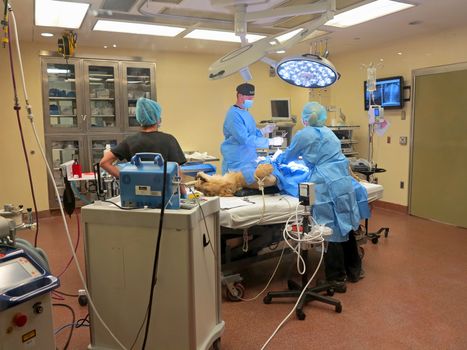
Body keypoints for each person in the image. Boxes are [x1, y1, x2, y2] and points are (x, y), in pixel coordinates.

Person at [274, 102, 369, 287]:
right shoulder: (329, 132)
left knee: (331, 229)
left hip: (326, 185)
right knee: (347, 226)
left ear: (306, 118)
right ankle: (355, 270)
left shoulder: (304, 134)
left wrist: (276, 159)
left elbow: (289, 157)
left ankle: (336, 277)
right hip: (343, 182)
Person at [100, 97, 186, 178]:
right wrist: (183, 193)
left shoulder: (130, 141)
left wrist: (126, 178)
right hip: (165, 193)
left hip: (137, 192)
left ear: (139, 119)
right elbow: (177, 172)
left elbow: (104, 163)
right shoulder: (169, 140)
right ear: (158, 119)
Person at [221, 82, 282, 187]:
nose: (251, 100)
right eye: (249, 97)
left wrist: (264, 130)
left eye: (252, 98)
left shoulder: (246, 113)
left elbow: (252, 133)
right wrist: (270, 142)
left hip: (248, 162)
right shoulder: (233, 115)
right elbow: (245, 139)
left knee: (275, 178)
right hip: (237, 164)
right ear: (240, 96)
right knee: (270, 181)